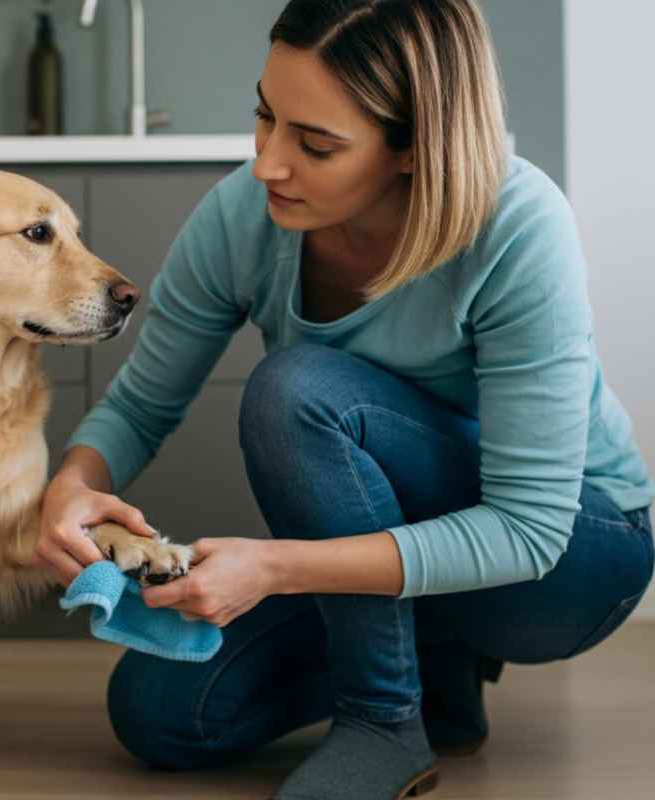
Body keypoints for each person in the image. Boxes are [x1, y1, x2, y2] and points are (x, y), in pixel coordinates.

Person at [35, 0, 655, 798]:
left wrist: (275, 568)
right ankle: (435, 673)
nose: (268, 164)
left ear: (414, 145)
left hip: (569, 559)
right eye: (265, 116)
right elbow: (140, 407)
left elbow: (529, 529)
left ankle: (383, 719)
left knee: (297, 390)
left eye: (315, 144)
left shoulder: (518, 227)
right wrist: (73, 484)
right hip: (417, 547)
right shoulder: (243, 217)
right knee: (160, 716)